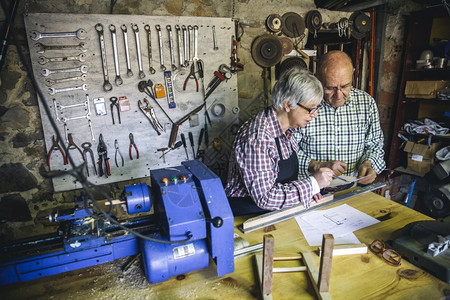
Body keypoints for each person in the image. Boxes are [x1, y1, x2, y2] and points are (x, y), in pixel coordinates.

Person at [225, 68, 334, 216]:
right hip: (248, 215)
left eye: (316, 108)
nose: (314, 115)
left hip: (275, 212)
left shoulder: (287, 129)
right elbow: (265, 197)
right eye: (310, 109)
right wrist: (312, 184)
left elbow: (282, 180)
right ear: (288, 104)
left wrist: (307, 192)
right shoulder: (258, 137)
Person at [297, 50, 386, 184]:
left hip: (352, 187)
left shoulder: (366, 103)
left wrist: (368, 164)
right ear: (317, 79)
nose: (338, 95)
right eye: (330, 88)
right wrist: (316, 165)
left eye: (345, 86)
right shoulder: (303, 104)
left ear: (353, 74)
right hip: (310, 189)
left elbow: (375, 145)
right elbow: (286, 151)